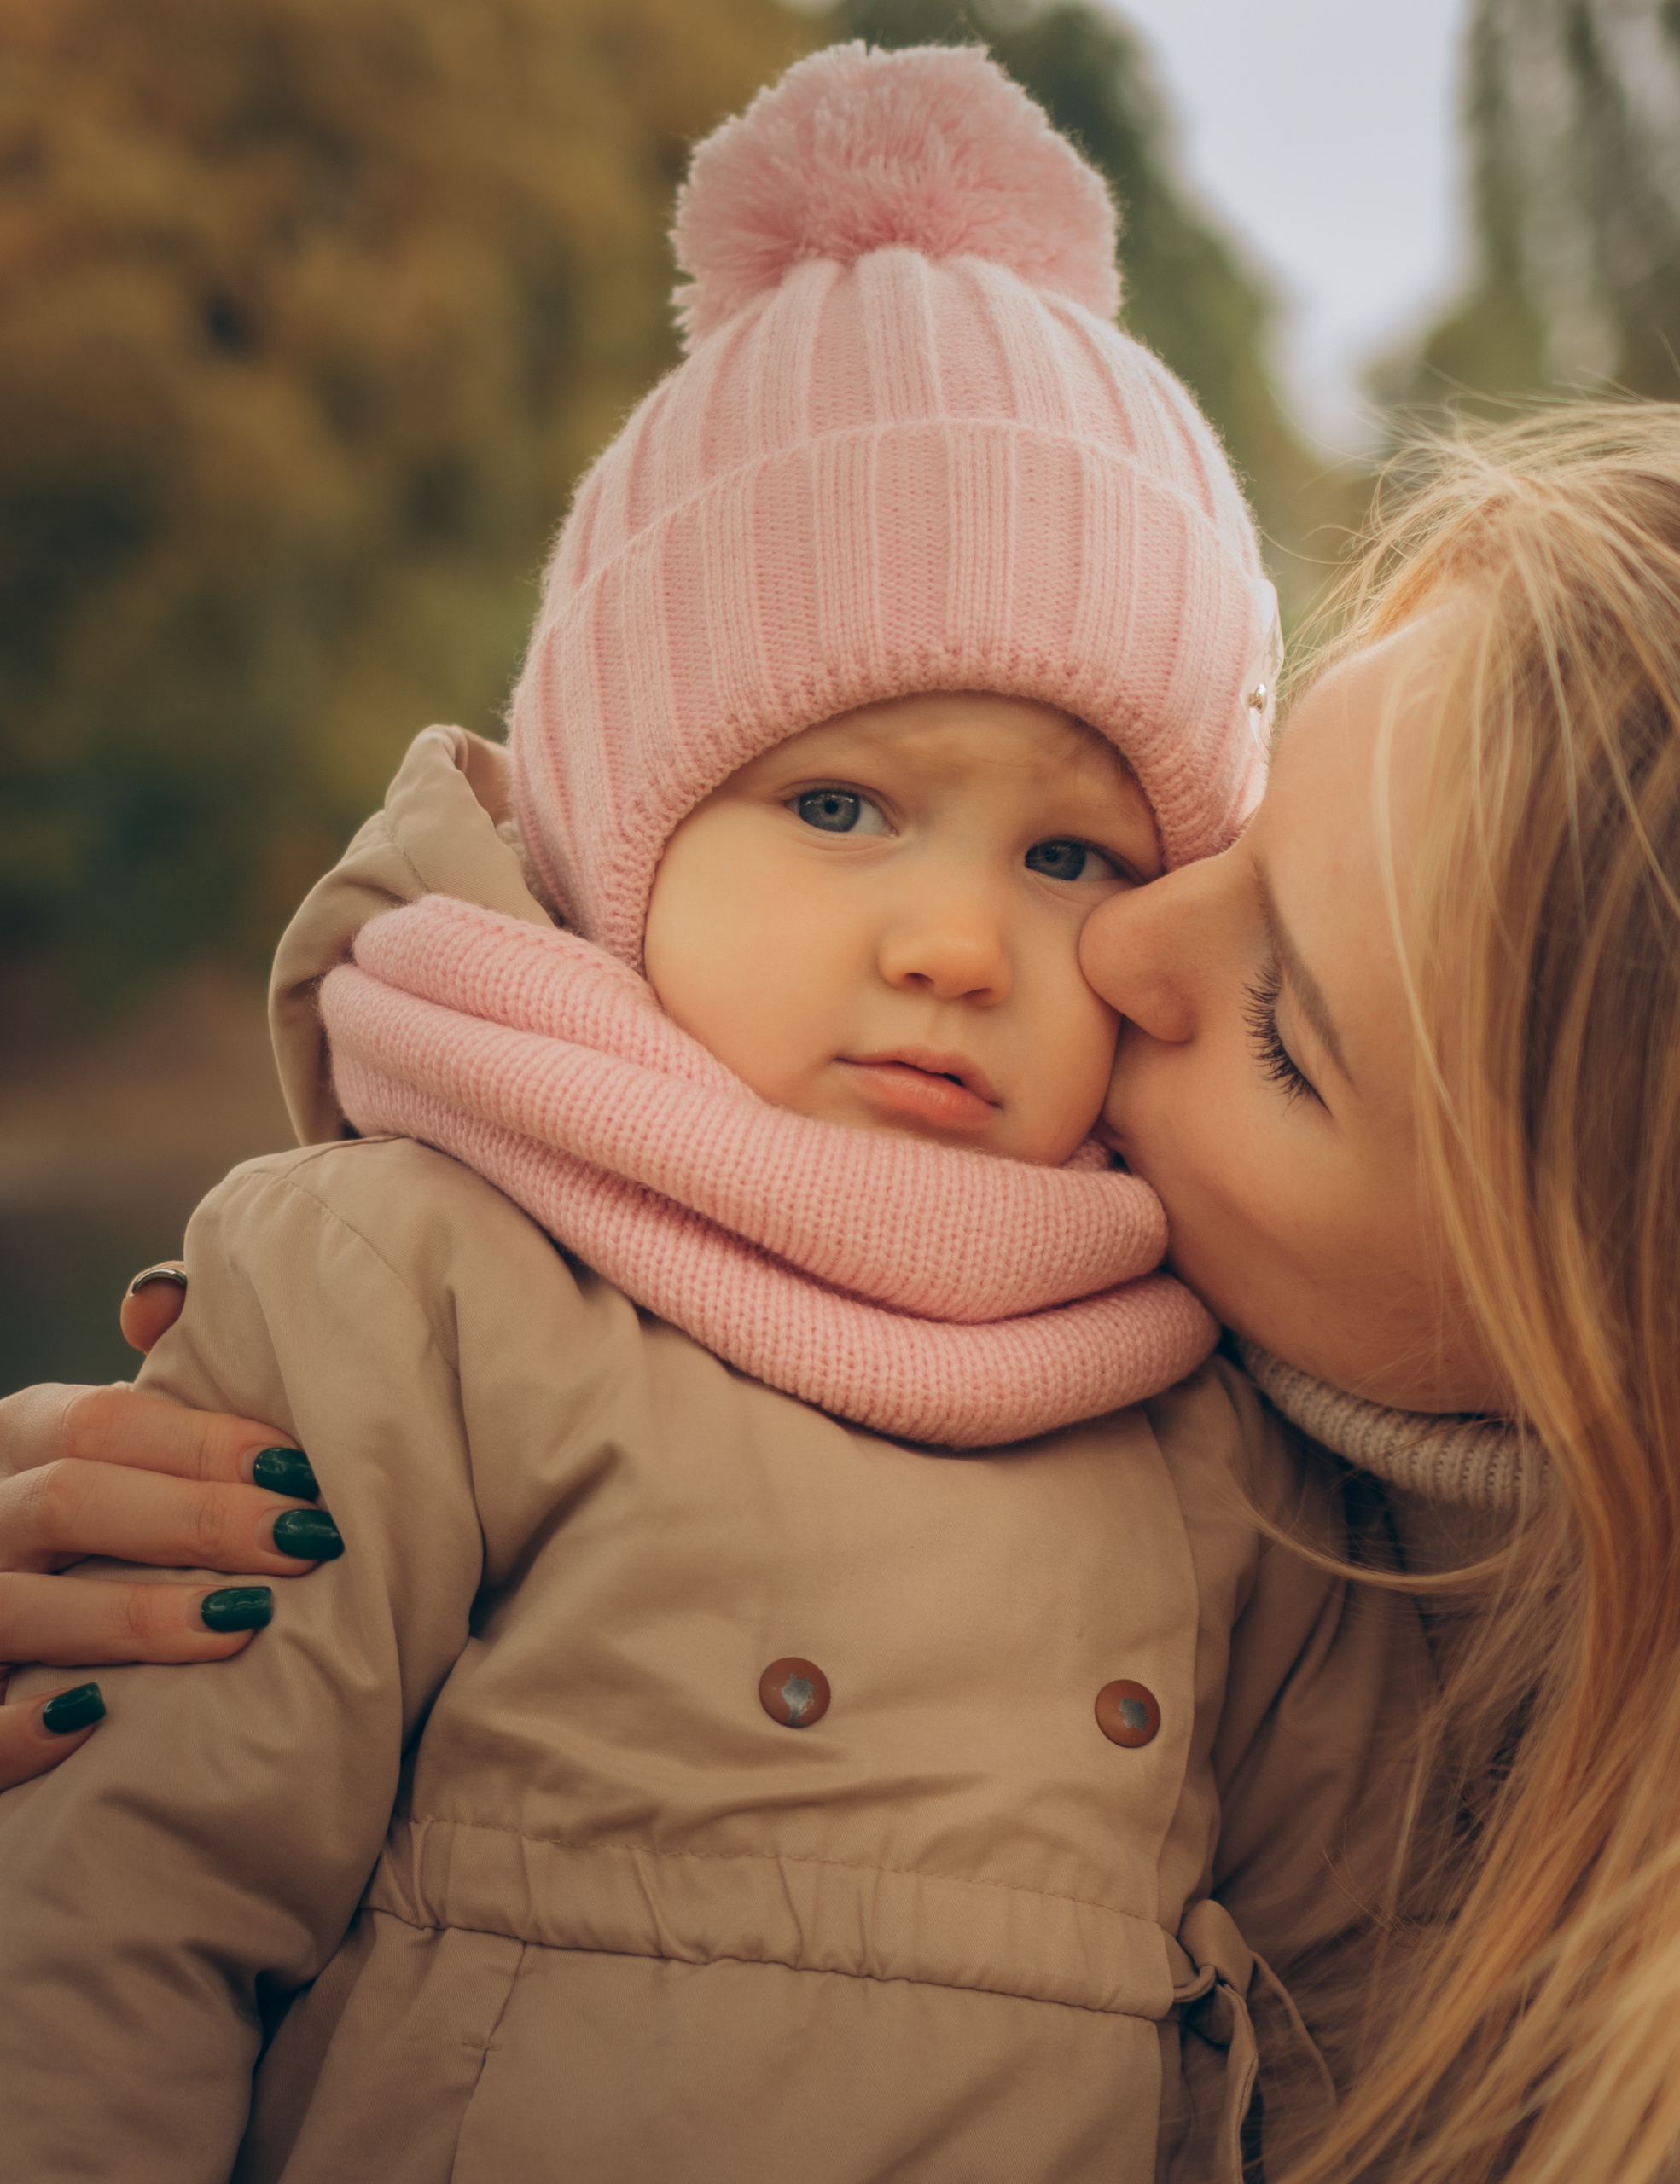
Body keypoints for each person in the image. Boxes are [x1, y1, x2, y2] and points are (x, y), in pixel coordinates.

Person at [3, 223, 1680, 2184]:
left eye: (1276, 1023)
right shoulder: (432, 1286)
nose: (1098, 958)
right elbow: (114, 1927)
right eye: (1230, 834)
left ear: (1596, 1337)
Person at [0, 42, 1419, 2184]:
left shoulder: (1212, 1422)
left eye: (1073, 858)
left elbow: (1354, 2020)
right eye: (836, 804)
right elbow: (116, 1927)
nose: (957, 940)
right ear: (622, 832)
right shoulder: (412, 1283)